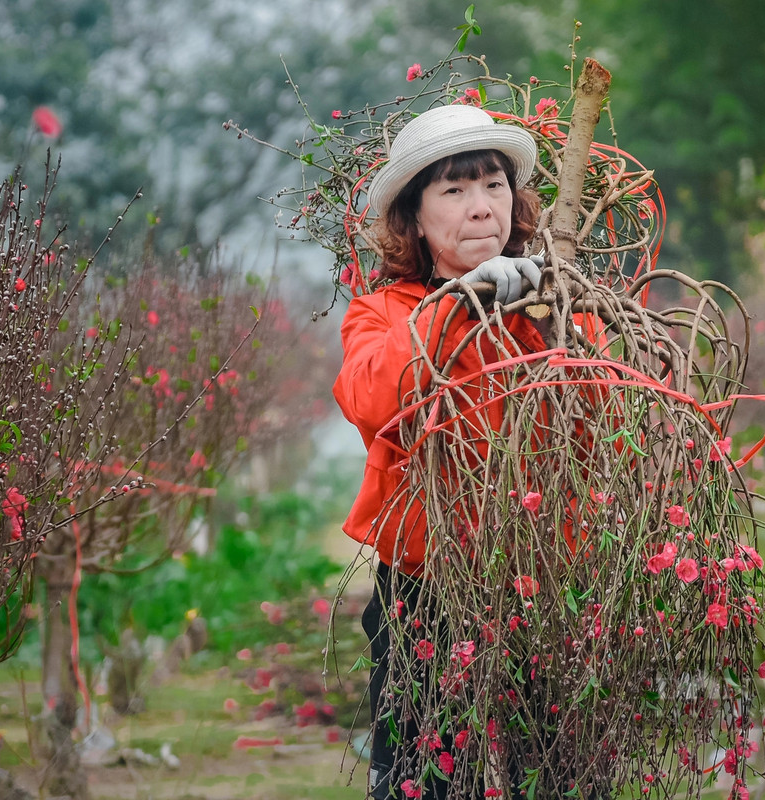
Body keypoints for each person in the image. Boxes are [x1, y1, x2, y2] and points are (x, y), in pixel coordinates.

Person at [332, 104, 548, 800]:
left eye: (492, 186)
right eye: (452, 192)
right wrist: (458, 300)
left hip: (546, 585)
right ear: (415, 222)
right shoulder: (384, 313)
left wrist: (553, 312)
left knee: (554, 776)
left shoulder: (554, 306)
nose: (480, 208)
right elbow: (371, 399)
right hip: (428, 593)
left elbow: (601, 419)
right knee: (422, 779)